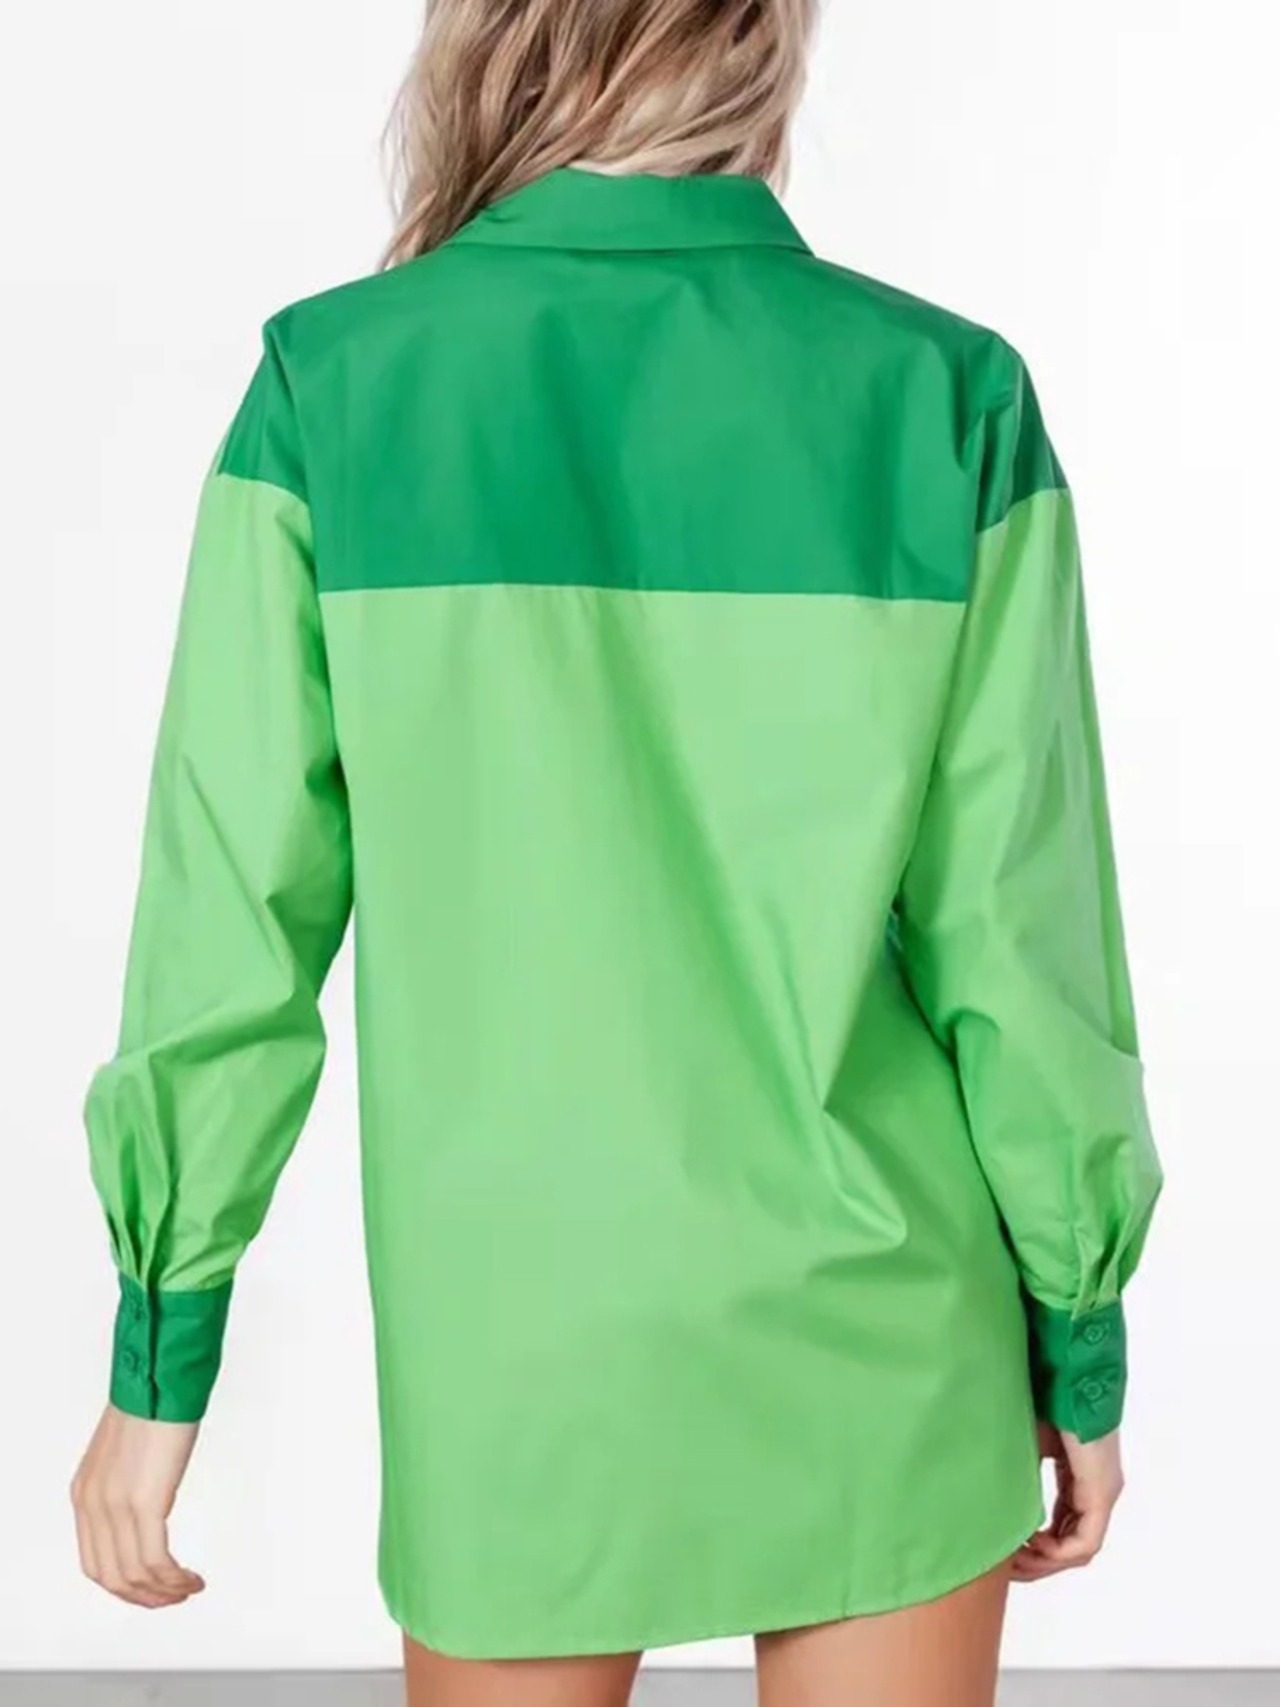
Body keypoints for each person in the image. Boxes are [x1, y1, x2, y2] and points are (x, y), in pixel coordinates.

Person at [70, 2, 1164, 1703]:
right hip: (885, 1321)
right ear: (760, 48)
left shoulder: (334, 386)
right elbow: (1018, 940)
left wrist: (160, 1357)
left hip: (522, 1351)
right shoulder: (946, 395)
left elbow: (232, 924)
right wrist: (1077, 1336)